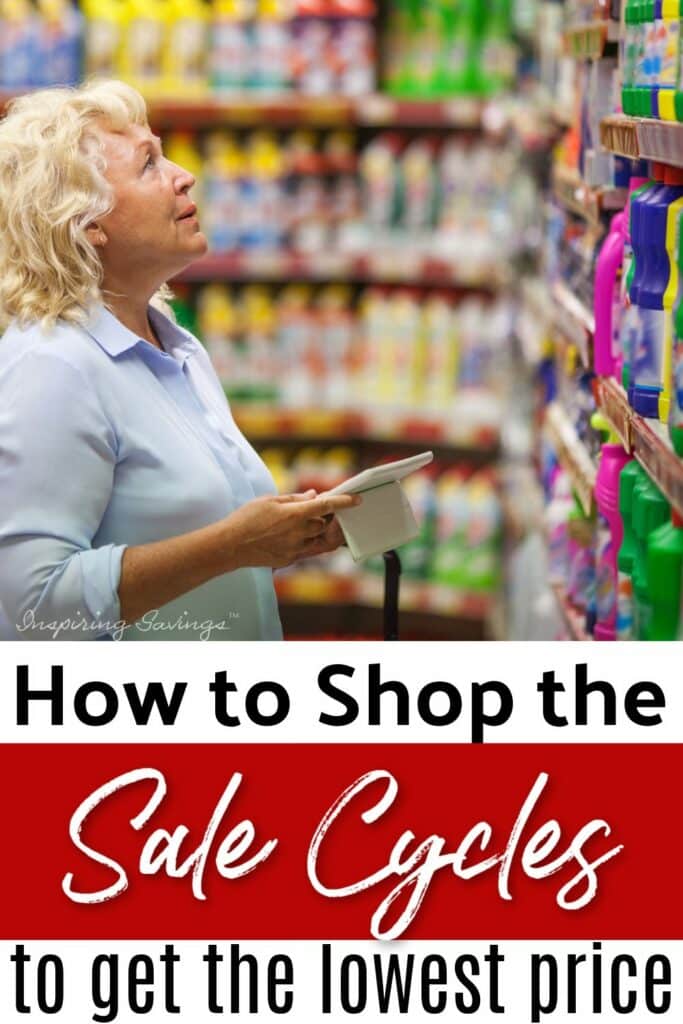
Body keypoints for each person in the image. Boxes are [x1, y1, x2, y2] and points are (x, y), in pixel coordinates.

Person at [0, 80, 360, 641]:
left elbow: (189, 533)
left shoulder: (175, 346)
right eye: (148, 164)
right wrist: (232, 545)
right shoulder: (54, 366)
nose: (183, 175)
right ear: (88, 223)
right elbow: (37, 604)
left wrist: (286, 536)